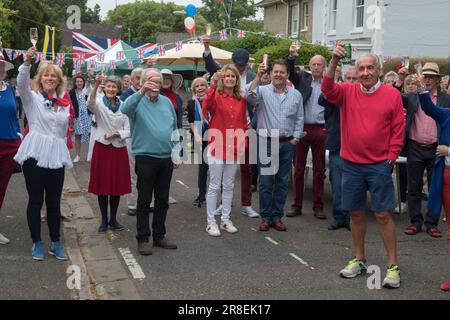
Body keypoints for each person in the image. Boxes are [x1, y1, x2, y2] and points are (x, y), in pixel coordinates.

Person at [322, 46, 405, 289]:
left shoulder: (392, 95)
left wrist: (390, 158)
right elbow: (327, 88)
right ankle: (359, 259)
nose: (366, 72)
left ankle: (392, 266)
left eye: (370, 67)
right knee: (356, 214)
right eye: (361, 68)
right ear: (356, 71)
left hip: (379, 165)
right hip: (351, 165)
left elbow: (397, 131)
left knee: (383, 215)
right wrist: (335, 59)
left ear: (379, 70)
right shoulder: (347, 91)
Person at [15, 47, 72, 261]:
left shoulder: (64, 101)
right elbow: (21, 83)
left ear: (58, 81)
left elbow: (62, 128)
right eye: (46, 75)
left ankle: (56, 243)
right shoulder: (32, 99)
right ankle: (37, 242)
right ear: (40, 78)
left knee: (55, 202)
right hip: (36, 153)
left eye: (54, 76)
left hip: (56, 154)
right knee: (36, 199)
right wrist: (27, 61)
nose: (50, 78)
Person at [121, 68, 181, 256]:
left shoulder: (166, 102)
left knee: (162, 199)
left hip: (165, 157)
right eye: (151, 81)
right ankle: (143, 238)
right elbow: (125, 109)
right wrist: (140, 91)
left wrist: (177, 150)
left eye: (157, 81)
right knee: (145, 199)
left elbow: (174, 126)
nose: (155, 84)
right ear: (143, 82)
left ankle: (159, 235)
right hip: (145, 156)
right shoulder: (137, 101)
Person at [203, 35, 259, 218]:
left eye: (242, 65)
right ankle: (221, 205)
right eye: (237, 64)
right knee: (221, 172)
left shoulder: (252, 77)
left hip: (246, 125)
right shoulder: (224, 74)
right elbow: (210, 63)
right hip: (223, 130)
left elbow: (255, 100)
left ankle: (246, 204)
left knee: (246, 168)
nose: (240, 67)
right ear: (232, 62)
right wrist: (207, 46)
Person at [247, 60, 304, 232]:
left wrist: (296, 138)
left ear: (287, 74)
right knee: (265, 182)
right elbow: (248, 97)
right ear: (270, 74)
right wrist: (257, 77)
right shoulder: (262, 91)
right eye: (275, 72)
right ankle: (265, 217)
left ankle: (277, 217)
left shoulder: (296, 95)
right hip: (266, 143)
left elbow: (300, 118)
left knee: (282, 183)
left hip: (287, 144)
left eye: (282, 72)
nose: (278, 74)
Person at [403, 63, 450, 237]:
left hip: (437, 149)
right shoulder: (412, 96)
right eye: (425, 76)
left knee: (435, 187)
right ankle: (415, 221)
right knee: (413, 187)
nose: (428, 79)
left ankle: (432, 223)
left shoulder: (446, 99)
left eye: (431, 77)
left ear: (438, 80)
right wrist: (401, 80)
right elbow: (395, 98)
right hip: (415, 146)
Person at [202, 65, 249, 237]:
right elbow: (206, 106)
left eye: (233, 76)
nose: (230, 78)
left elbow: (243, 123)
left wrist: (243, 142)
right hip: (217, 145)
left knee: (229, 185)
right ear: (223, 78)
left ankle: (225, 219)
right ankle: (210, 222)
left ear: (237, 80)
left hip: (234, 147)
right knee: (215, 185)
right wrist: (213, 84)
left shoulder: (241, 100)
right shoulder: (216, 95)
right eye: (227, 76)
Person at [287, 44, 327, 219]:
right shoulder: (303, 80)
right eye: (313, 64)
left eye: (319, 64)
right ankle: (296, 205)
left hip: (320, 129)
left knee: (319, 170)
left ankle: (318, 206)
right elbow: (291, 73)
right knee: (299, 169)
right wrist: (292, 57)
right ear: (310, 67)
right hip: (302, 129)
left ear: (324, 67)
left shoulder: (328, 84)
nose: (316, 67)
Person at [416, 85, 450, 291]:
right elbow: (428, 108)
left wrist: (449, 150)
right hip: (446, 178)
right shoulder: (447, 114)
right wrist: (423, 88)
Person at [88, 74, 131, 233]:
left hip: (118, 148)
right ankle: (104, 220)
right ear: (104, 88)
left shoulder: (125, 105)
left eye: (114, 87)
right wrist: (96, 84)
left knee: (116, 186)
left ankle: (113, 219)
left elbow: (129, 128)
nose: (111, 89)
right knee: (102, 186)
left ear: (118, 89)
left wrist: (117, 134)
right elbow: (90, 104)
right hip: (102, 147)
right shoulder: (98, 103)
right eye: (109, 86)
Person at [319, 66, 359, 231]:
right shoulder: (338, 92)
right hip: (337, 145)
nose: (350, 82)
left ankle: (351, 218)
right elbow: (322, 99)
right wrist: (333, 83)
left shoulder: (362, 96)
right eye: (348, 78)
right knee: (337, 184)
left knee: (354, 186)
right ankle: (339, 217)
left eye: (353, 78)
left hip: (356, 147)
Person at [0, 51, 20, 245]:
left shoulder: (9, 89)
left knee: (1, 189)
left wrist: (18, 134)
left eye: (1, 65)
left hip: (9, 145)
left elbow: (15, 115)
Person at [187, 77, 209, 207]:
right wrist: (196, 135)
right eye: (197, 86)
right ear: (194, 89)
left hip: (214, 136)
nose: (200, 87)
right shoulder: (191, 103)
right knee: (203, 169)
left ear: (207, 87)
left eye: (202, 85)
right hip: (199, 137)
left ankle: (222, 198)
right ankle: (201, 195)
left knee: (218, 168)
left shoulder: (212, 99)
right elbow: (190, 121)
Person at [69, 75, 92, 162]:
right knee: (77, 136)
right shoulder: (71, 92)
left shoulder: (87, 90)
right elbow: (69, 105)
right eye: (77, 81)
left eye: (81, 81)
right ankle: (78, 155)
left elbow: (90, 85)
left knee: (91, 135)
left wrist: (89, 78)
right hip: (77, 117)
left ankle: (91, 155)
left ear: (83, 82)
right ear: (75, 83)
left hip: (88, 116)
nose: (79, 83)